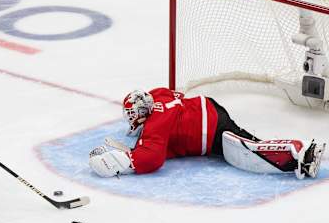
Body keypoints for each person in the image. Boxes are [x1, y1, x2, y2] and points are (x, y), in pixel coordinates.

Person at [89, 87, 326, 179]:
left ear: (142, 113)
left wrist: (122, 161)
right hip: (210, 107)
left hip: (211, 131)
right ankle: (296, 151)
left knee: (247, 152)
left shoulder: (155, 126)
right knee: (248, 140)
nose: (131, 119)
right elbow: (176, 97)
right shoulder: (158, 94)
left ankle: (302, 153)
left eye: (133, 114)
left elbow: (151, 159)